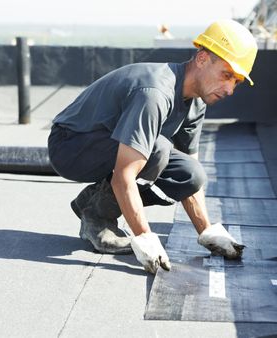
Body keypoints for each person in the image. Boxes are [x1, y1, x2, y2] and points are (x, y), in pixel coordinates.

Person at [47, 20, 257, 273]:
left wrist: (207, 231)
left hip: (109, 147)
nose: (230, 89)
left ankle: (93, 202)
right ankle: (97, 219)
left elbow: (190, 170)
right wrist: (144, 236)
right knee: (157, 150)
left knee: (190, 175)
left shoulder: (196, 102)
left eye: (236, 81)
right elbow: (125, 174)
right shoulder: (155, 93)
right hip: (71, 145)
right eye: (226, 75)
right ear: (202, 59)